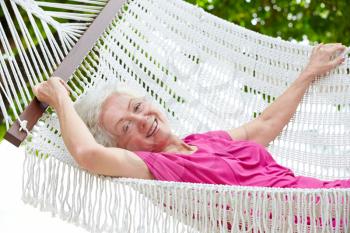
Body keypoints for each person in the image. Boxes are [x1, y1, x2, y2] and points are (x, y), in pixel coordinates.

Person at [33, 43, 350, 188]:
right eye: (126, 125)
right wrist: (61, 98)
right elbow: (89, 154)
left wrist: (309, 73)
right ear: (120, 146)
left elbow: (263, 125)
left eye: (138, 106)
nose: (143, 119)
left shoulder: (204, 141)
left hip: (326, 197)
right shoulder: (153, 167)